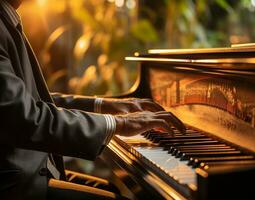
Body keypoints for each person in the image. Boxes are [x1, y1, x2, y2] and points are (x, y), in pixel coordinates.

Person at [0, 0, 186, 199]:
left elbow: (32, 101)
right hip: (17, 185)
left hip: (29, 170)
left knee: (110, 189)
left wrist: (105, 105)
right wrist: (119, 124)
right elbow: (24, 118)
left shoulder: (6, 18)